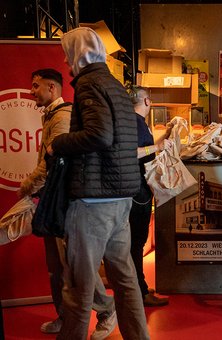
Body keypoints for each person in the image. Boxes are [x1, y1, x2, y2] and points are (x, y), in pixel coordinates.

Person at [47, 27, 149, 339]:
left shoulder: (89, 85)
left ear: (77, 53)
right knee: (125, 279)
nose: (66, 62)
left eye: (68, 54)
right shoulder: (116, 86)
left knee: (78, 286)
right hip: (121, 200)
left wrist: (59, 143)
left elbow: (99, 135)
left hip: (92, 201)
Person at [17, 68, 116, 337]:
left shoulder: (61, 118)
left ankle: (107, 310)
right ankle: (65, 315)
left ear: (53, 88)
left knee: (73, 267)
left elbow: (53, 164)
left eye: (36, 86)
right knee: (57, 267)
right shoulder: (52, 116)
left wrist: (27, 186)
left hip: (63, 203)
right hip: (52, 202)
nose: (32, 91)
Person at [126, 84, 171, 307]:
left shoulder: (135, 123)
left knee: (135, 243)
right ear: (146, 101)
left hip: (136, 191)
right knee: (135, 244)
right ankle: (140, 294)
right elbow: (131, 153)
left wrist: (162, 139)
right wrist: (159, 147)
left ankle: (138, 288)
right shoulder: (135, 123)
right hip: (137, 193)